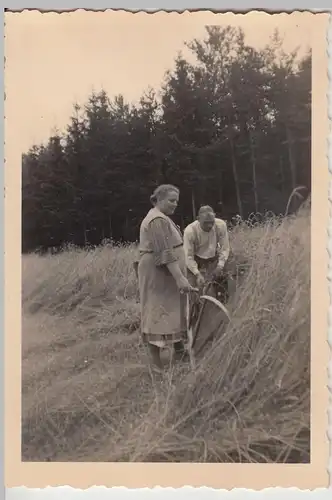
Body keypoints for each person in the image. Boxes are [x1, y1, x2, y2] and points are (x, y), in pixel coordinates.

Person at [137, 184, 196, 372]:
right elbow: (164, 252)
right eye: (171, 200)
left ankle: (179, 351)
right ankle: (156, 365)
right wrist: (179, 278)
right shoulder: (157, 220)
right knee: (157, 312)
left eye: (177, 201)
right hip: (159, 273)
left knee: (170, 311)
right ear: (159, 199)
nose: (175, 204)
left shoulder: (162, 218)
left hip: (165, 273)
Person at [183, 205, 230, 299]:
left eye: (211, 222)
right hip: (196, 258)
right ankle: (195, 309)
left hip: (213, 257)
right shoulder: (190, 231)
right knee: (194, 289)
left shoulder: (220, 225)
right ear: (198, 219)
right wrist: (197, 273)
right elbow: (188, 256)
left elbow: (224, 248)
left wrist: (220, 266)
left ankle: (221, 304)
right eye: (206, 223)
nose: (209, 225)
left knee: (221, 282)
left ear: (215, 217)